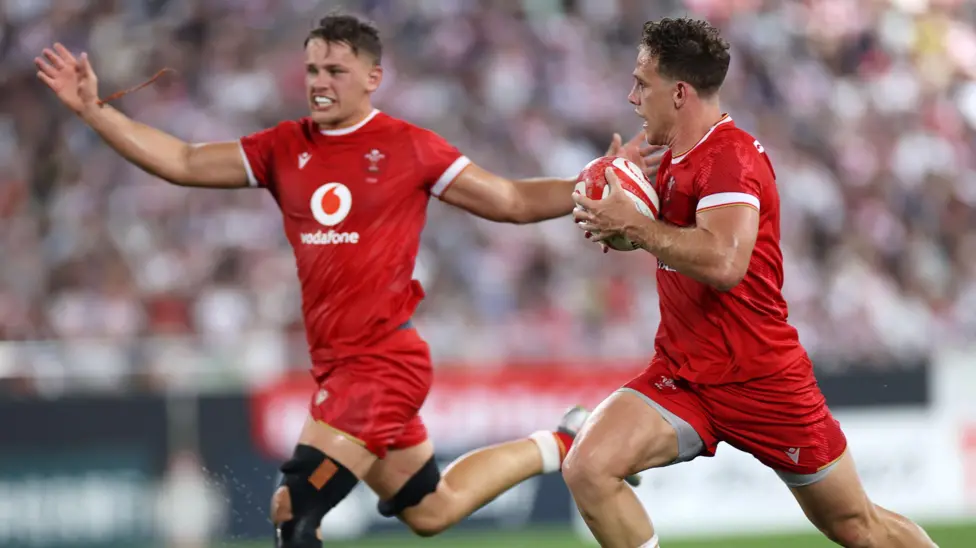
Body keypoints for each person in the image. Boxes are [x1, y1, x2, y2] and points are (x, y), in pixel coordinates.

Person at [35, 12, 654, 547]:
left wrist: (586, 184)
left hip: (382, 364)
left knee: (292, 511)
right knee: (430, 510)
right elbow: (183, 161)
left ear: (371, 78)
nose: (320, 84)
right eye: (312, 71)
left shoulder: (408, 147)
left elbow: (510, 200)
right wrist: (94, 110)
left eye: (335, 71)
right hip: (339, 366)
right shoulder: (284, 147)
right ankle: (565, 441)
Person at [570, 17, 938, 548]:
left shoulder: (730, 157)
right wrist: (624, 198)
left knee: (856, 526)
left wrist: (634, 224)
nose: (631, 97)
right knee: (589, 466)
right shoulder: (673, 160)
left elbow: (724, 262)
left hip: (760, 379)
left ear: (678, 92)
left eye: (641, 84)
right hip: (684, 374)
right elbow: (657, 238)